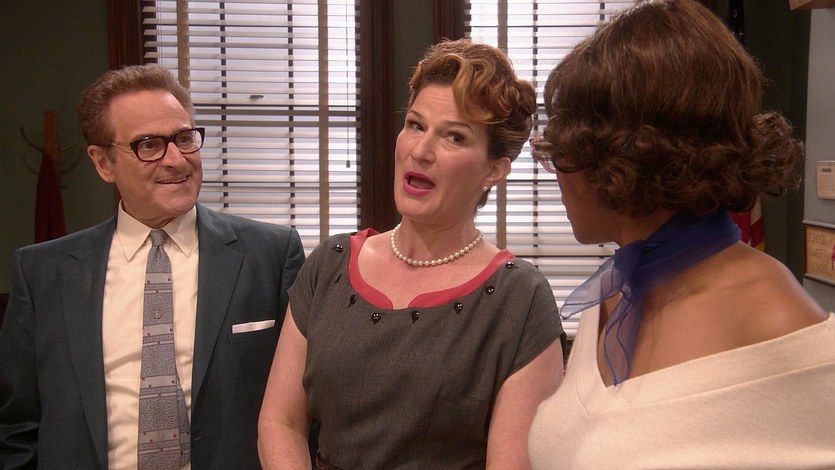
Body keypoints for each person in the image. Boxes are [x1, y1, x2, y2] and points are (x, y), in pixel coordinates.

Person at [527, 0, 835, 467]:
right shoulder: (614, 294)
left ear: (624, 157)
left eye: (565, 148)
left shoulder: (782, 327)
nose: (557, 172)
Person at [258, 38, 565, 469]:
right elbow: (281, 422)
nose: (421, 151)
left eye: (454, 137)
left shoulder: (521, 298)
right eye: (416, 125)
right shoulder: (329, 264)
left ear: (493, 170)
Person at [0, 64, 306, 469]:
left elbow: (307, 406)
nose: (176, 160)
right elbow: (17, 429)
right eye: (149, 145)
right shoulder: (43, 272)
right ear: (103, 162)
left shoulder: (271, 255)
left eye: (184, 138)